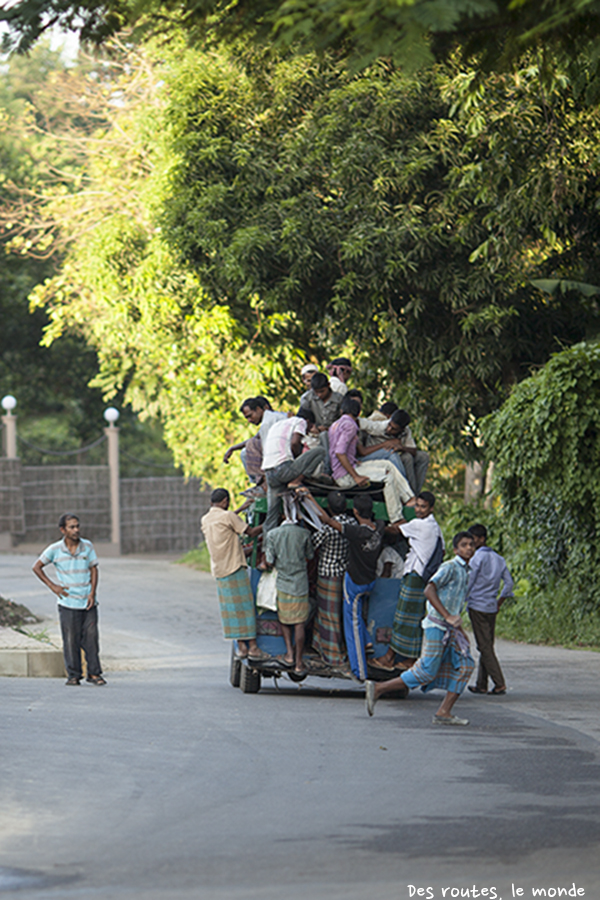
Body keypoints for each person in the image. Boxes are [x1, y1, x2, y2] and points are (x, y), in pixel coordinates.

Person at [365, 531, 476, 725]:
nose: (469, 548)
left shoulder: (465, 571)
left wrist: (459, 629)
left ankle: (444, 712)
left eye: (471, 545)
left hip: (449, 630)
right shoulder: (450, 567)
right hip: (436, 627)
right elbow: (429, 589)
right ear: (456, 549)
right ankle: (378, 689)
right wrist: (447, 616)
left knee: (466, 665)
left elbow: (454, 604)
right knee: (426, 671)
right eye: (464, 545)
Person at [303, 490, 387, 681]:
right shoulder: (371, 527)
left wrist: (308, 497)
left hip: (334, 577)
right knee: (345, 615)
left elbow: (314, 541)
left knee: (335, 618)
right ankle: (365, 642)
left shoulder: (349, 529)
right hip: (353, 577)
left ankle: (346, 663)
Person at [32, 513, 105, 686]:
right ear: (63, 530)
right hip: (67, 603)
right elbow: (37, 567)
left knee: (91, 638)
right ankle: (74, 675)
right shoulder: (55, 549)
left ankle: (94, 674)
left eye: (77, 526)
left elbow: (94, 569)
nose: (76, 530)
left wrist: (92, 593)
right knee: (70, 639)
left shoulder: (87, 546)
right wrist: (53, 586)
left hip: (87, 602)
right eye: (72, 527)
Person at [373, 490, 443, 669]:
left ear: (431, 508)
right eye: (417, 506)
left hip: (414, 577)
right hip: (422, 577)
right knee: (413, 620)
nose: (419, 510)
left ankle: (390, 658)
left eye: (423, 507)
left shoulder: (421, 525)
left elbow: (395, 529)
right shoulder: (435, 527)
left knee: (402, 618)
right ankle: (407, 659)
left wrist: (377, 526)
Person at [201, 488, 270, 662]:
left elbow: (226, 520)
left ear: (212, 502)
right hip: (234, 567)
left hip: (219, 570)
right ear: (225, 501)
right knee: (245, 608)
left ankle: (241, 647)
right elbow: (252, 532)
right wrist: (270, 522)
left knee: (231, 610)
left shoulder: (206, 519)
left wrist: (240, 509)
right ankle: (253, 647)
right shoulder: (228, 517)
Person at [328, 395, 415, 524]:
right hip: (345, 475)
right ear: (357, 414)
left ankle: (408, 497)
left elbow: (346, 451)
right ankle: (396, 518)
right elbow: (340, 453)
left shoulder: (335, 425)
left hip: (350, 467)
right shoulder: (350, 426)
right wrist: (356, 477)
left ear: (342, 411)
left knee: (388, 464)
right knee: (388, 476)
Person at [309, 491, 354, 668]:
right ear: (345, 507)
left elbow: (312, 545)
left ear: (329, 508)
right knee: (336, 613)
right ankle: (319, 645)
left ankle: (333, 655)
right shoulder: (352, 523)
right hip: (344, 574)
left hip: (327, 574)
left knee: (329, 614)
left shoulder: (327, 529)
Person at [466, 523, 513, 696]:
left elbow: (470, 581)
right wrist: (500, 600)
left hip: (477, 606)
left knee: (484, 647)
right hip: (492, 606)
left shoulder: (477, 558)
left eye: (473, 540)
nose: (470, 545)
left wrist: (461, 599)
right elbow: (509, 583)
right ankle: (481, 684)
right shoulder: (499, 559)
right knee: (487, 644)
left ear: (481, 539)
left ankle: (499, 683)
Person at [262, 408, 325, 534]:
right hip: (283, 469)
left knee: (271, 515)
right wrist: (297, 460)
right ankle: (297, 481)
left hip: (269, 473)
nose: (308, 431)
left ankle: (266, 550)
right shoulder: (300, 421)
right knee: (321, 451)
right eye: (310, 427)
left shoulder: (278, 425)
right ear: (307, 421)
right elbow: (295, 442)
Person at [265, 517, 314, 675]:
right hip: (300, 584)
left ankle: (289, 655)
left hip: (283, 584)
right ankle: (299, 663)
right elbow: (310, 555)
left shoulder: (273, 534)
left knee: (285, 620)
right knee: (299, 623)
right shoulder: (305, 533)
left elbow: (269, 560)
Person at [359, 409, 429, 494]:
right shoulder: (380, 426)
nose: (389, 429)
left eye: (394, 429)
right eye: (389, 425)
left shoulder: (406, 431)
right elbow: (362, 422)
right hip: (378, 456)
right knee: (406, 457)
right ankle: (408, 493)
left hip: (394, 458)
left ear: (401, 429)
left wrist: (401, 447)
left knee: (423, 457)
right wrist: (386, 444)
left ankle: (414, 492)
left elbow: (413, 450)